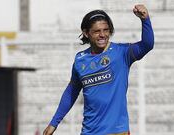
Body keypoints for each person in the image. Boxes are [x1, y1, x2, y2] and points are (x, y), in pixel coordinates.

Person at [43, 4, 154, 135]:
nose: (102, 35)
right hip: (89, 132)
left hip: (117, 131)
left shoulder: (121, 53)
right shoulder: (80, 60)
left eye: (106, 30)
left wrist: (145, 19)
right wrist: (53, 123)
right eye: (97, 31)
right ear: (86, 33)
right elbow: (71, 92)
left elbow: (147, 45)